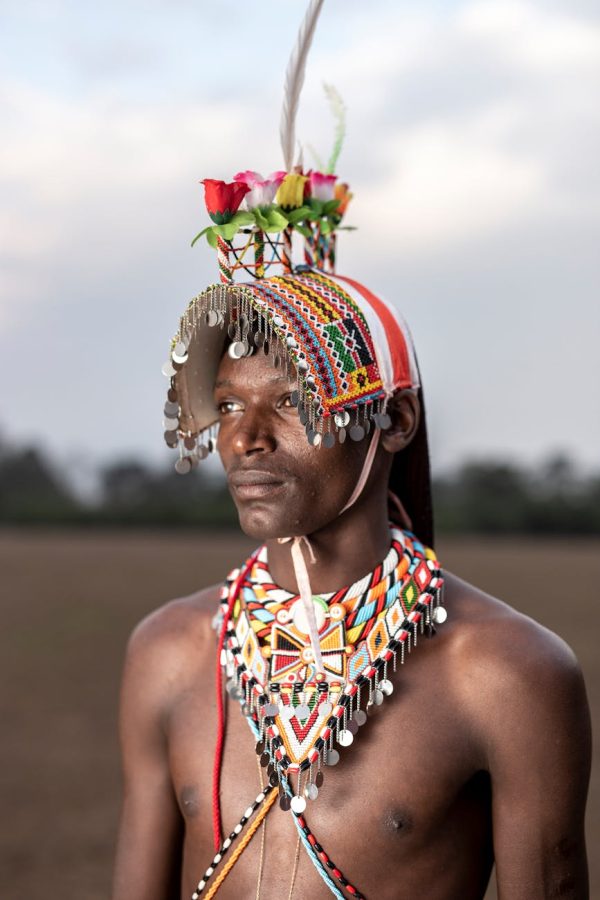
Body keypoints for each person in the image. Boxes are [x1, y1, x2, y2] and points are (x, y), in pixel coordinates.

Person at [112, 6, 591, 899]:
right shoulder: (169, 653)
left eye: (292, 403)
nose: (246, 440)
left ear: (395, 422)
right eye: (225, 407)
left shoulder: (506, 675)